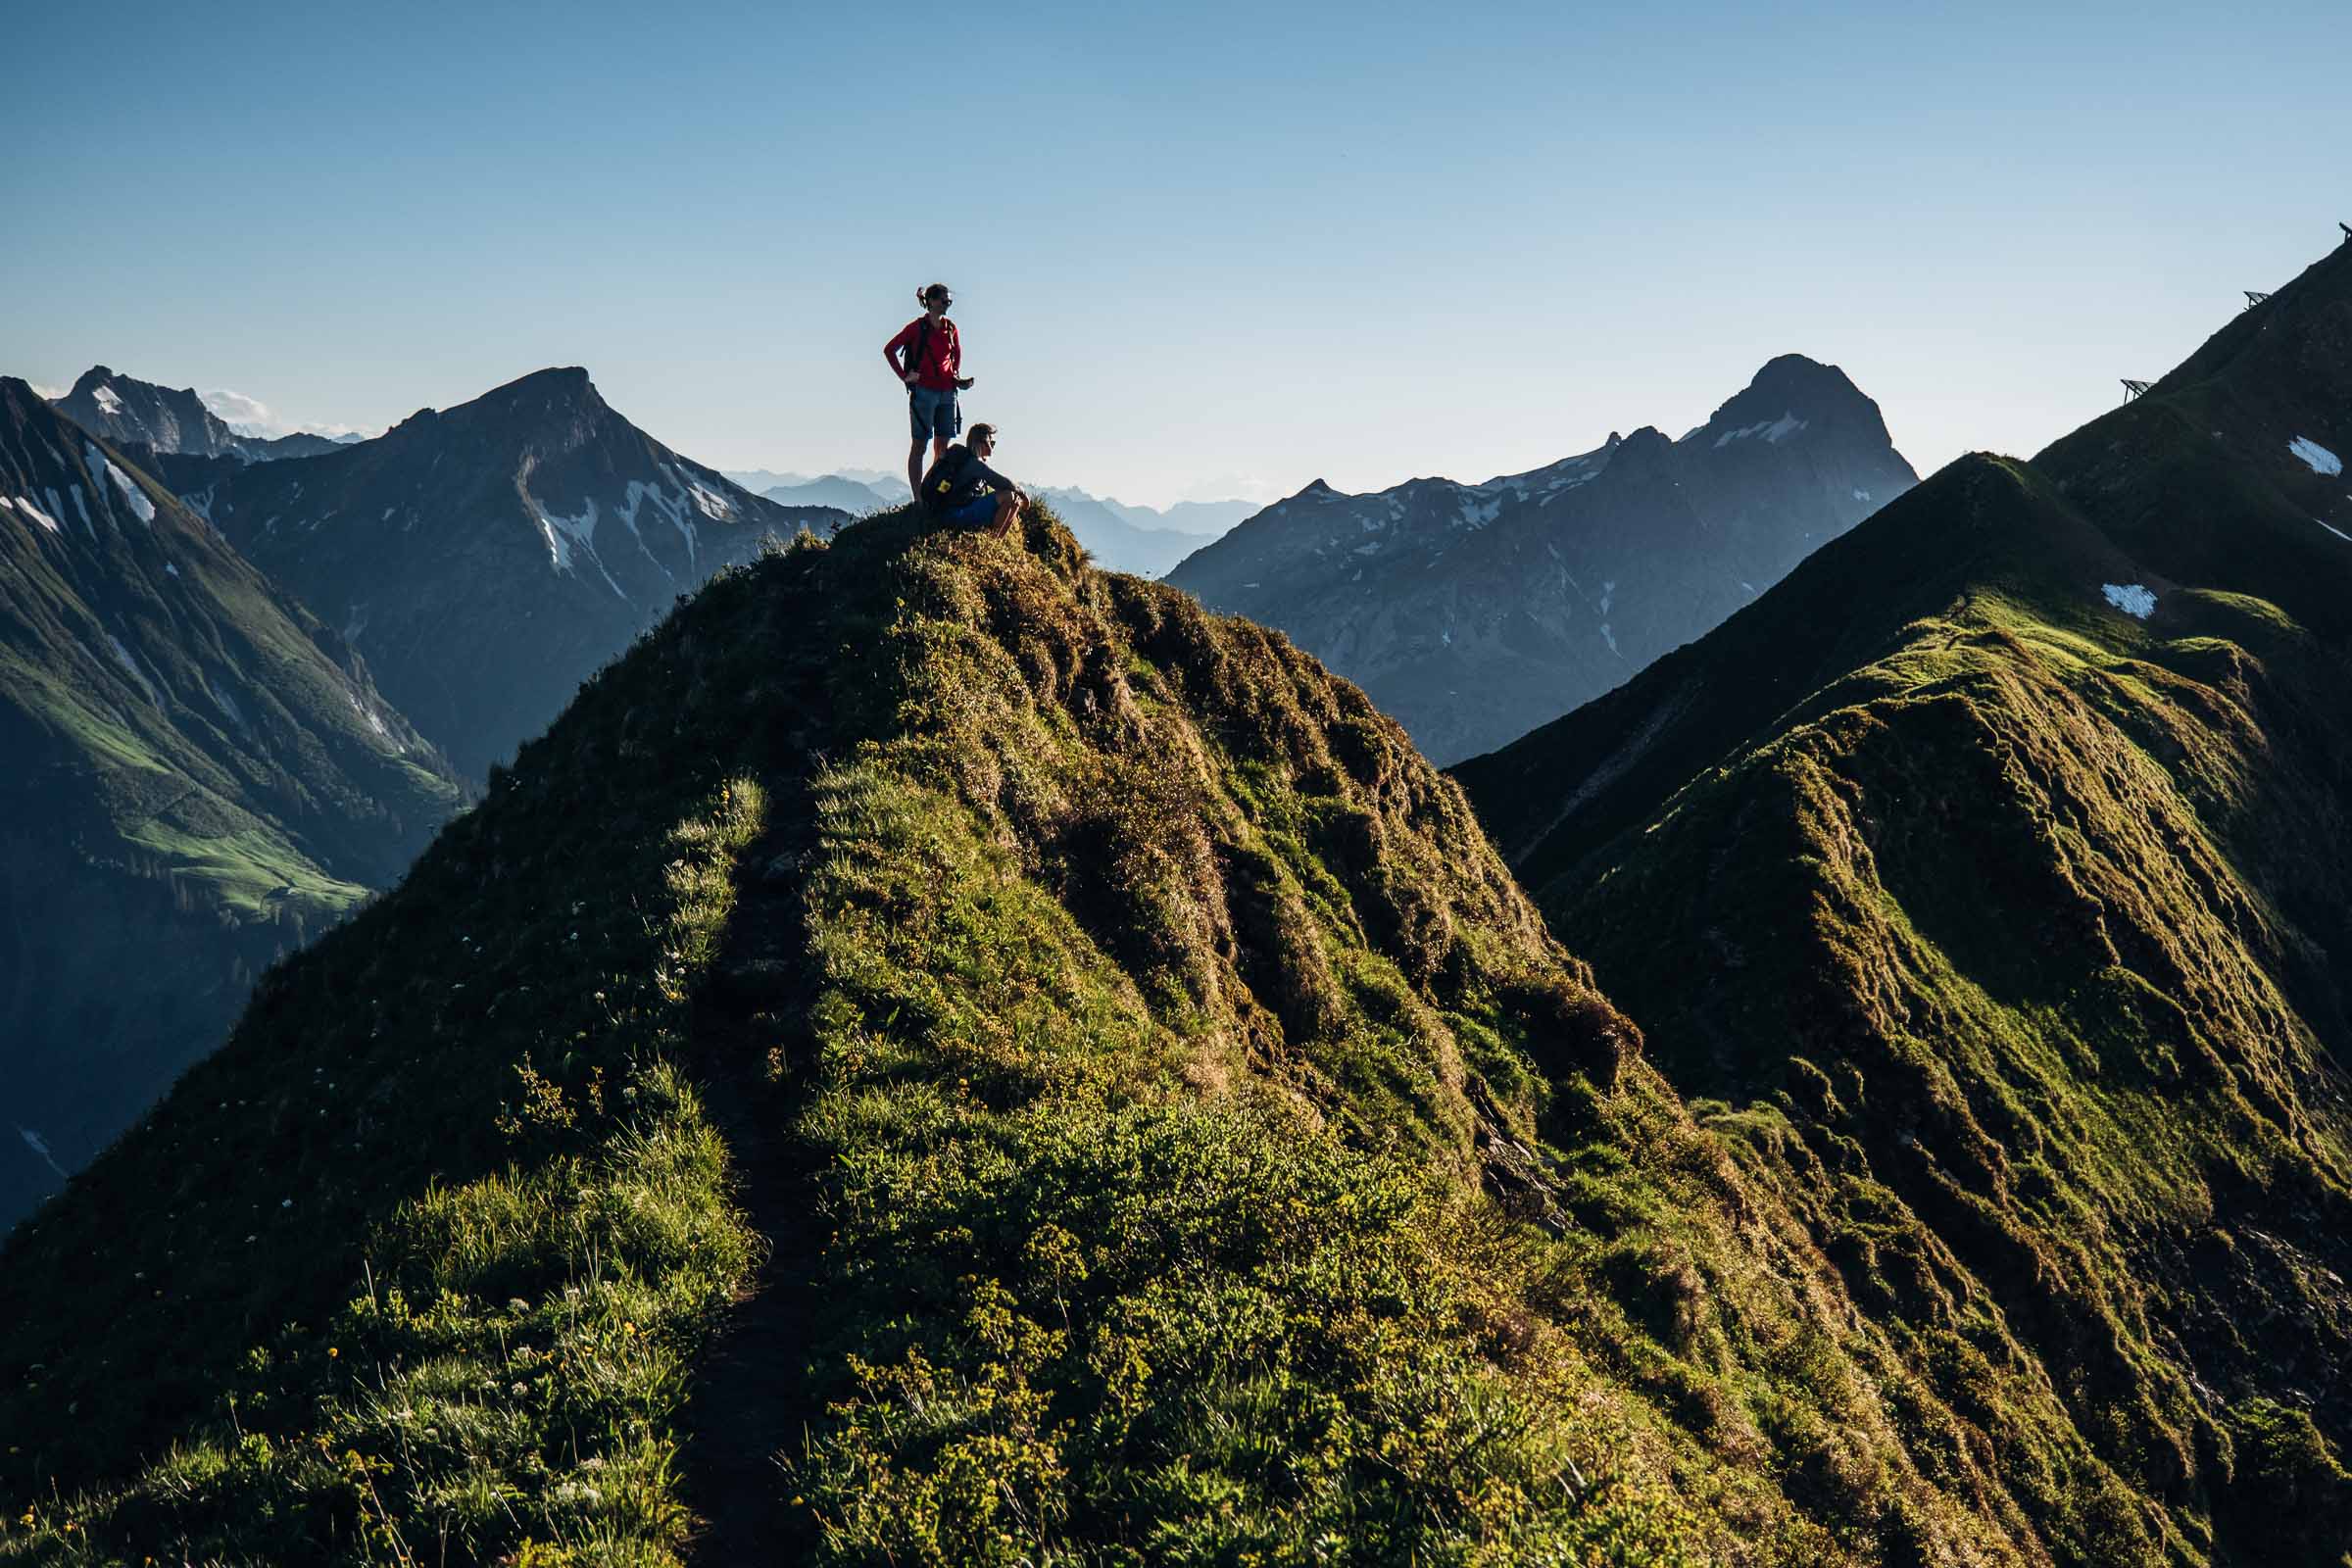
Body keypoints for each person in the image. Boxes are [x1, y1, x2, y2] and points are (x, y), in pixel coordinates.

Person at [883, 283, 974, 499]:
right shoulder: (917, 328)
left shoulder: (951, 329)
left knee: (942, 448)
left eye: (949, 301)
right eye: (944, 301)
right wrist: (905, 376)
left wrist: (956, 378)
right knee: (920, 445)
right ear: (931, 302)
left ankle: (932, 492)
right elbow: (889, 350)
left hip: (947, 393)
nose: (947, 305)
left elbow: (955, 357)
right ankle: (919, 499)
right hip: (924, 392)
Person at [918, 422, 1025, 538]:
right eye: (991, 443)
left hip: (946, 511)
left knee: (1015, 499)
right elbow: (1001, 482)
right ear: (982, 442)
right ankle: (993, 540)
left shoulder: (962, 458)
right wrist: (1023, 493)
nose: (992, 447)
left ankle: (998, 540)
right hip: (954, 515)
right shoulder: (974, 464)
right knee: (1008, 496)